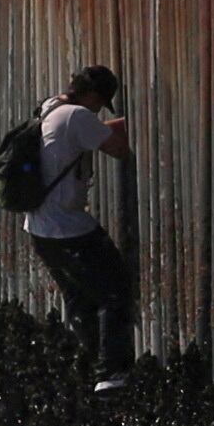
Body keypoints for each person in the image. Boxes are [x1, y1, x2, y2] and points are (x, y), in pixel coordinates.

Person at [20, 62, 136, 386]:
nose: (100, 111)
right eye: (101, 103)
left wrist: (107, 126)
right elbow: (118, 150)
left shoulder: (51, 107)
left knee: (78, 297)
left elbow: (78, 137)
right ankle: (111, 372)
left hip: (40, 228)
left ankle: (91, 362)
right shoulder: (78, 117)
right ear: (93, 95)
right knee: (115, 291)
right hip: (69, 227)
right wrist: (133, 125)